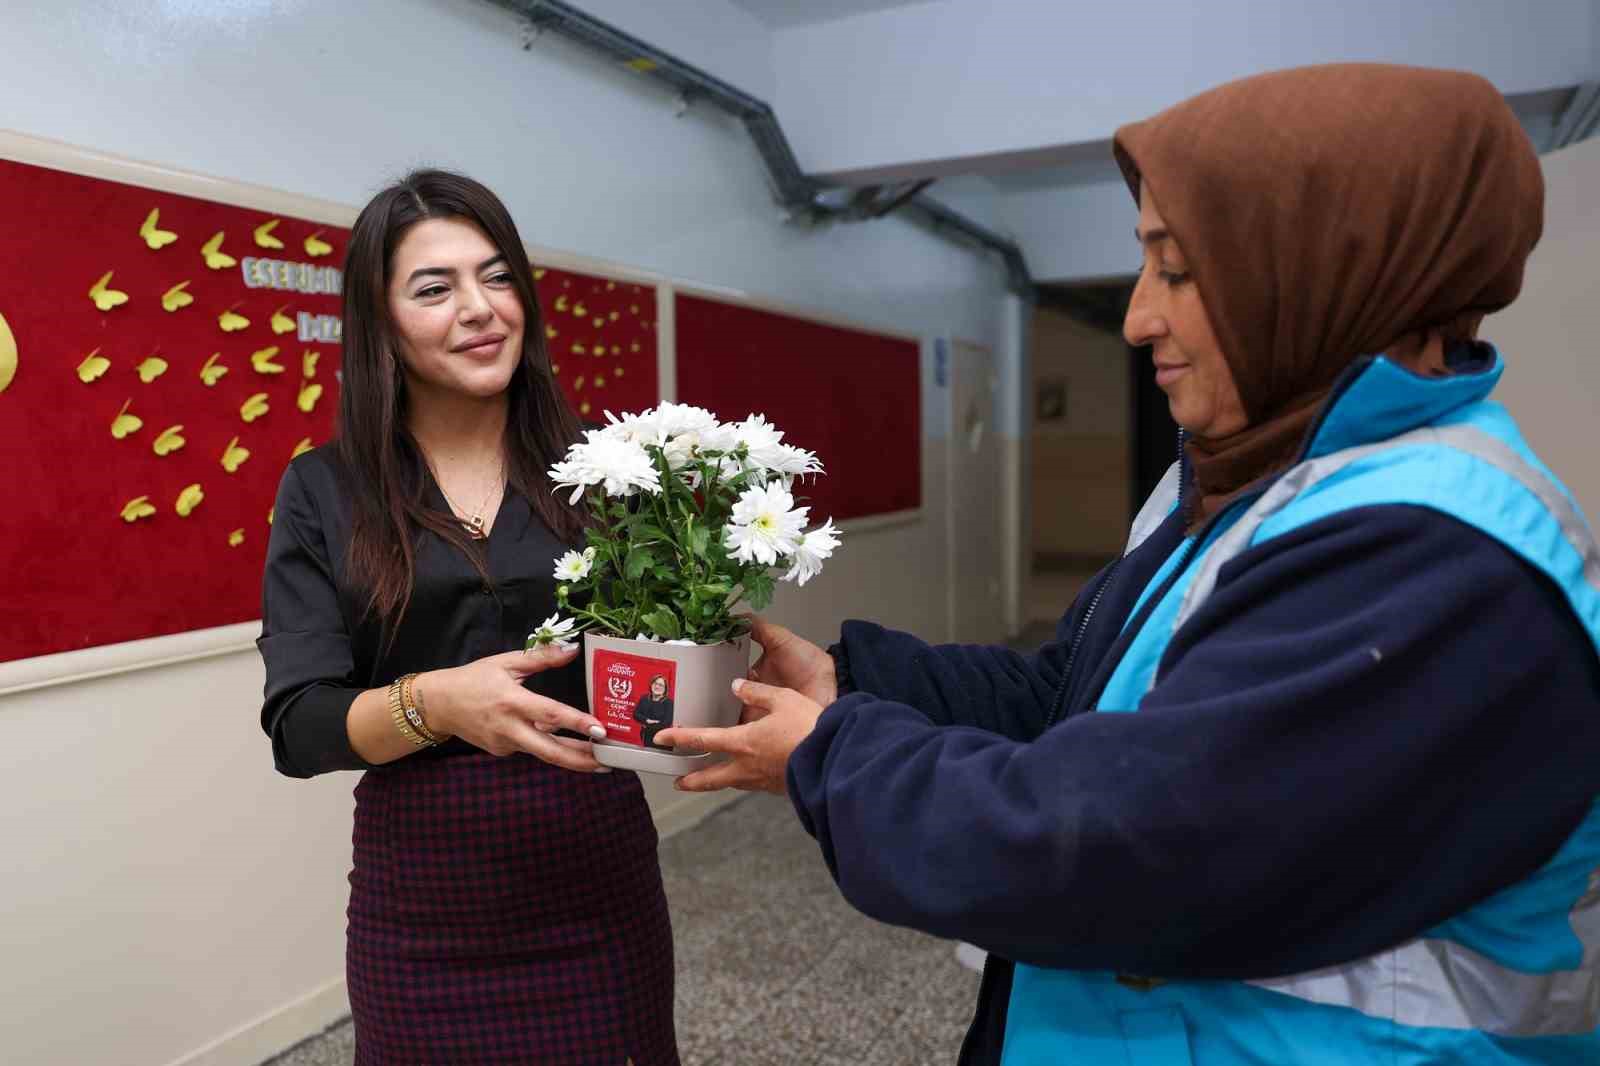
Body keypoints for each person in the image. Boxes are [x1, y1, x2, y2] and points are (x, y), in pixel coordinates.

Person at [657, 64, 1600, 1065]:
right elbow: (1077, 695)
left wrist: (832, 753)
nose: (1139, 316)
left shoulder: (1429, 555)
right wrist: (853, 681)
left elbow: (1117, 851)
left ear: (1327, 265)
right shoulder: (1255, 478)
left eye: (1180, 272)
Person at [257, 170, 679, 1065]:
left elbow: (657, 667)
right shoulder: (324, 492)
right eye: (434, 288)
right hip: (423, 911)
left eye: (497, 277)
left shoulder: (606, 469)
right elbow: (299, 727)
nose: (481, 309)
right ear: (380, 324)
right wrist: (439, 704)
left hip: (598, 886)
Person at [633, 674, 675, 748]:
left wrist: (646, 725)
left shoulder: (668, 703)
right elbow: (636, 714)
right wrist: (647, 720)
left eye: (661, 685)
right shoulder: (644, 698)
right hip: (646, 738)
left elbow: (666, 723)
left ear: (665, 689)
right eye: (655, 683)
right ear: (651, 684)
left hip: (661, 740)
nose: (657, 686)